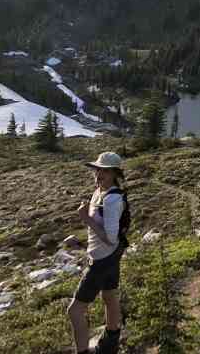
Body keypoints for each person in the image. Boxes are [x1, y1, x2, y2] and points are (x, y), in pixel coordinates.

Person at [68, 151, 130, 354]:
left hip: (103, 258)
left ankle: (83, 351)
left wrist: (85, 217)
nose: (99, 173)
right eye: (97, 169)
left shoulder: (112, 200)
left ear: (114, 173)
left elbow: (110, 237)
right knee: (109, 296)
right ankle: (110, 344)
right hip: (110, 256)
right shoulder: (99, 192)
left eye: (104, 170)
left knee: (75, 310)